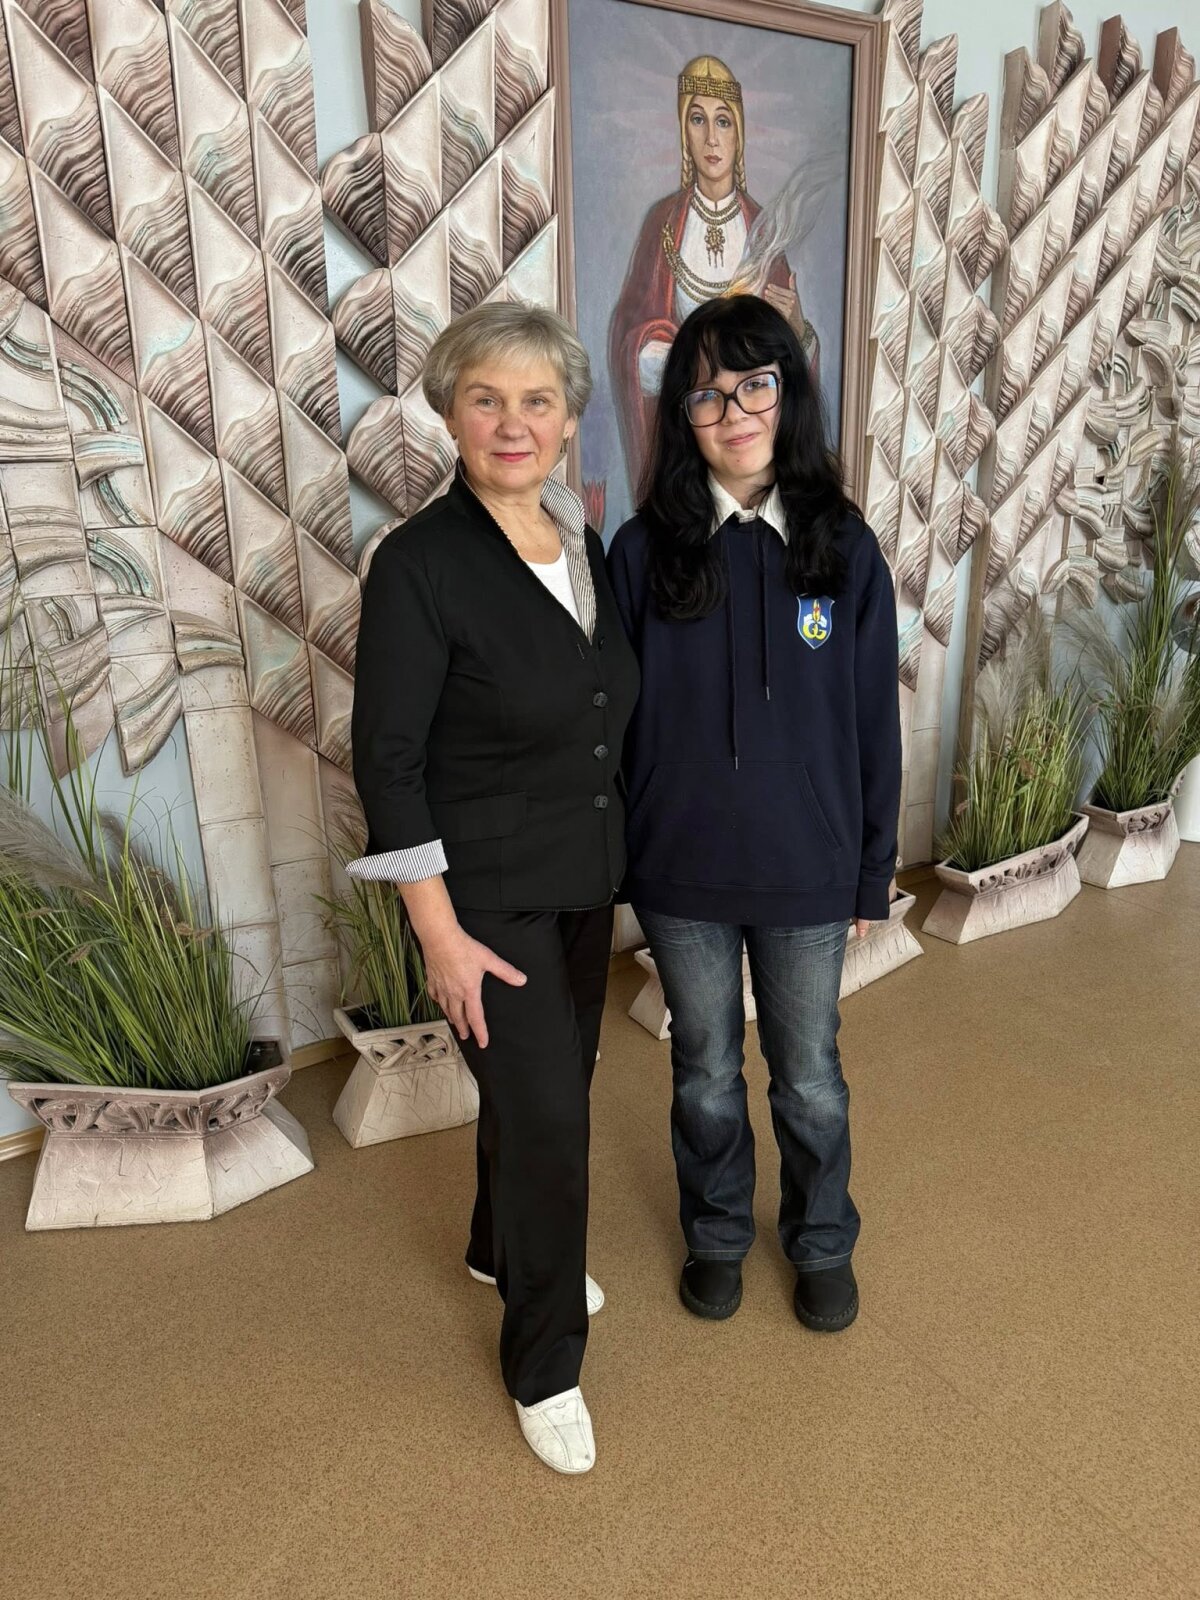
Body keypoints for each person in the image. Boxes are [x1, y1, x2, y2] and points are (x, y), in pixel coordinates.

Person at [350, 301, 639, 1474]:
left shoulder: (578, 535)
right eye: (486, 399)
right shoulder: (418, 565)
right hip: (486, 901)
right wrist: (438, 935)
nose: (512, 423)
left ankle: (493, 1245)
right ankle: (545, 1363)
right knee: (555, 1119)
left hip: (582, 878)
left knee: (548, 1086)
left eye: (536, 401)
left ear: (568, 420)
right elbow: (389, 763)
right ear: (450, 414)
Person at [606, 294, 899, 1331]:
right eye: (706, 394)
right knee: (704, 1073)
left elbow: (873, 724)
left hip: (809, 871)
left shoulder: (844, 546)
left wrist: (871, 872)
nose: (733, 413)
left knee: (809, 1076)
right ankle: (718, 1234)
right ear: (681, 417)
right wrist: (621, 856)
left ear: (790, 393)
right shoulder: (641, 551)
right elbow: (612, 723)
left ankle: (822, 1241)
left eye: (755, 385)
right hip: (682, 870)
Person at [608, 53, 819, 497]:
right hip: (685, 435)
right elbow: (630, 340)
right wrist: (693, 368)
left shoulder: (764, 231)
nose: (711, 138)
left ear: (739, 133)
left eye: (723, 121)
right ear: (683, 131)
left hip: (749, 450)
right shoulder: (663, 225)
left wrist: (798, 329)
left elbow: (790, 367)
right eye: (697, 119)